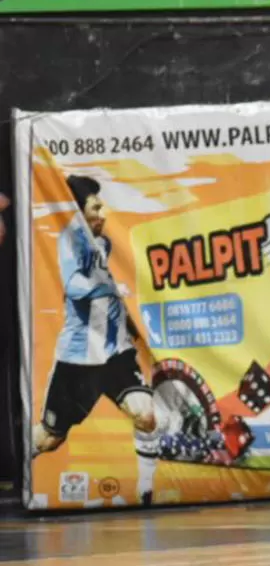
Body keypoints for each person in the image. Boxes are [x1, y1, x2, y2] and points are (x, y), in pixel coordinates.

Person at [33, 176, 159, 506]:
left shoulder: (104, 244)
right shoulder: (70, 240)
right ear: (79, 209)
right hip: (77, 361)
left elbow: (115, 295)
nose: (102, 212)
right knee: (49, 440)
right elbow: (74, 287)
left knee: (146, 416)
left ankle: (147, 493)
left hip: (117, 354)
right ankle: (20, 461)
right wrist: (111, 288)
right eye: (95, 206)